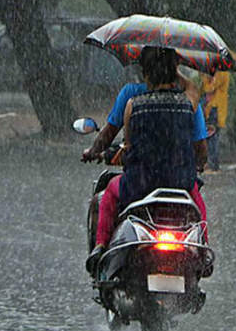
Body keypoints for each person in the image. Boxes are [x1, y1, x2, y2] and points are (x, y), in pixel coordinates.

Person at [84, 46, 209, 273]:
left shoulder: (133, 104)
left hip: (140, 185)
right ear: (173, 72)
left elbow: (129, 147)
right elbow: (201, 147)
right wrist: (174, 68)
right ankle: (204, 250)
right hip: (179, 183)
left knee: (110, 193)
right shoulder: (188, 104)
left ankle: (100, 247)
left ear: (146, 73)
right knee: (198, 204)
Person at [201, 70, 230, 173]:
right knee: (211, 136)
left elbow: (209, 88)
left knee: (212, 136)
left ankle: (213, 164)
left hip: (215, 107)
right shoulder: (215, 71)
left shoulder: (221, 72)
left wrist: (206, 76)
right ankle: (211, 163)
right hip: (211, 107)